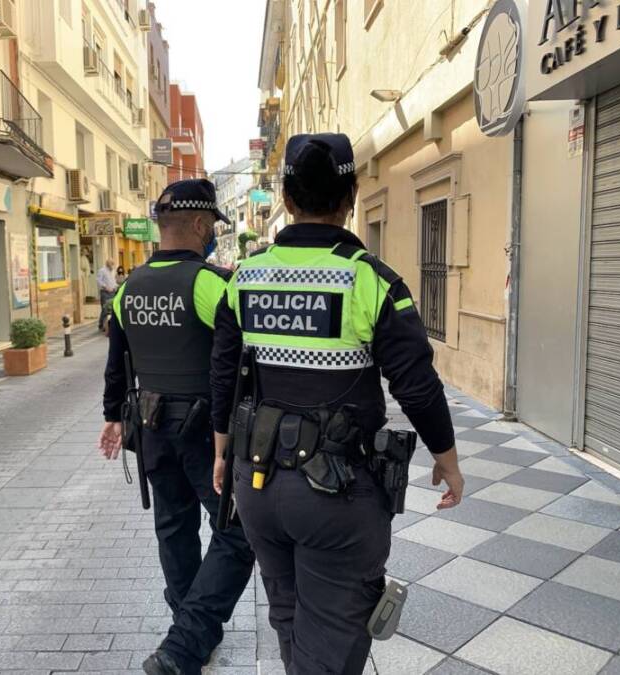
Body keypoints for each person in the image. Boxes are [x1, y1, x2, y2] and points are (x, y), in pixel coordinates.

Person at [210, 133, 465, 674]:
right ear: (351, 195)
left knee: (290, 618)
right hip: (337, 494)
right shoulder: (371, 279)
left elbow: (224, 374)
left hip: (255, 483)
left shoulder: (244, 277)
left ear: (286, 197)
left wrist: (220, 452)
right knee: (334, 635)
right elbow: (415, 383)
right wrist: (447, 457)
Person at [98, 179, 256, 675]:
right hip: (205, 433)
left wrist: (110, 418)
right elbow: (239, 359)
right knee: (237, 531)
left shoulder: (127, 290)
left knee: (174, 528)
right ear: (198, 225)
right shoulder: (210, 284)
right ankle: (188, 638)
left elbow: (116, 363)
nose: (212, 234)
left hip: (149, 428)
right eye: (211, 226)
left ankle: (188, 632)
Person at [96, 258, 118, 332]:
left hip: (112, 292)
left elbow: (113, 281)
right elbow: (99, 281)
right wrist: (105, 287)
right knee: (105, 309)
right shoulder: (102, 270)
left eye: (113, 265)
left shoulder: (112, 271)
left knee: (110, 309)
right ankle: (102, 325)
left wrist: (116, 287)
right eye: (112, 264)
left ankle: (105, 325)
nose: (113, 266)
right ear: (108, 264)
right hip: (105, 292)